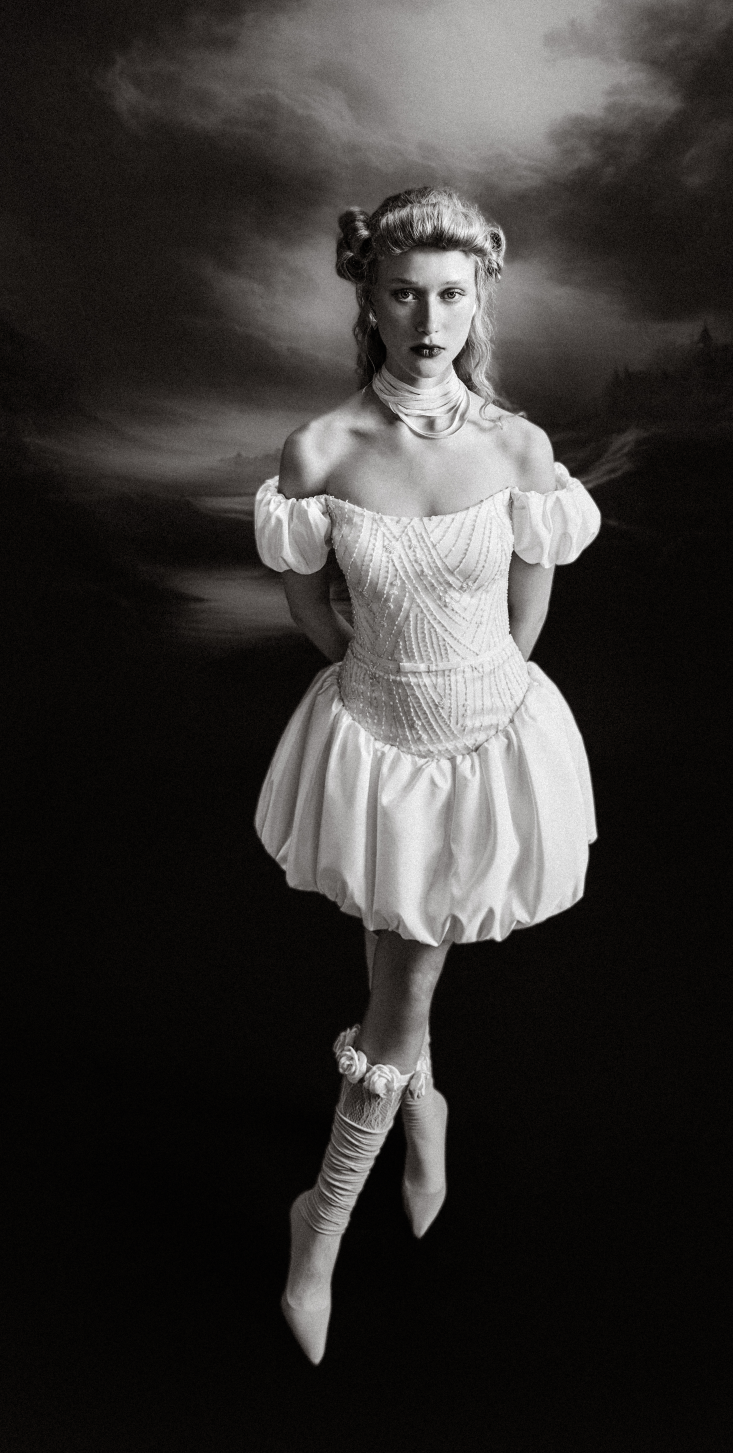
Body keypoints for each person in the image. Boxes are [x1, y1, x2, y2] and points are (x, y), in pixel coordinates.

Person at [252, 186, 601, 1363]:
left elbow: (528, 613)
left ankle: (359, 1176)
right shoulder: (322, 451)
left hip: (487, 740)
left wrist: (475, 705)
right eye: (405, 294)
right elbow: (313, 607)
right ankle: (346, 1192)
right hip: (375, 739)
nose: (431, 321)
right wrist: (380, 684)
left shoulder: (517, 448)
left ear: (481, 295)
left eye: (453, 295)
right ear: (369, 298)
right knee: (399, 968)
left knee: (403, 972)